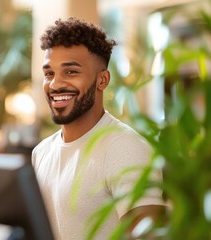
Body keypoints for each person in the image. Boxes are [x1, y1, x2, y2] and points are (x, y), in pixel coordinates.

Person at [32, 18, 166, 239]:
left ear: (102, 80)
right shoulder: (41, 152)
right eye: (49, 73)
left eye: (71, 72)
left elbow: (147, 236)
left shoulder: (126, 148)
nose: (55, 84)